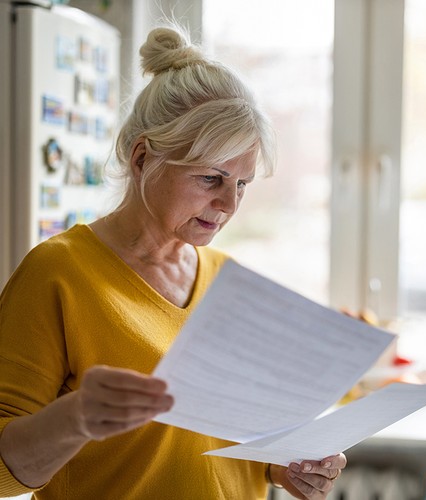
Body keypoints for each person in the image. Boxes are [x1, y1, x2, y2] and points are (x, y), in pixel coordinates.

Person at [0, 23, 346, 500]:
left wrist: (285, 466)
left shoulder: (227, 279)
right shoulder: (58, 273)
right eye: (211, 178)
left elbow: (228, 438)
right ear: (143, 158)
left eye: (242, 184)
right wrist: (76, 418)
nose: (229, 204)